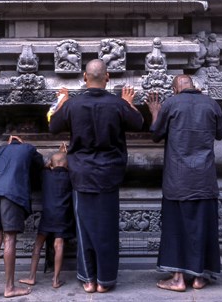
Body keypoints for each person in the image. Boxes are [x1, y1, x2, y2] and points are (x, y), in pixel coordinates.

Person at [49, 59, 144, 293]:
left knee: (85, 229)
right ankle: (105, 281)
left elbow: (53, 127)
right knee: (107, 229)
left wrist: (62, 101)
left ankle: (89, 279)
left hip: (81, 175)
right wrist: (129, 103)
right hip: (109, 175)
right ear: (107, 77)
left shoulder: (73, 105)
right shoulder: (118, 105)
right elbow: (139, 123)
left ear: (84, 77)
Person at [146, 75, 222, 292]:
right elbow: (220, 134)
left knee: (176, 229)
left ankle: (178, 279)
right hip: (204, 179)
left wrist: (155, 113)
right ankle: (199, 277)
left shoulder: (171, 104)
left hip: (178, 179)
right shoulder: (211, 104)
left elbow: (156, 135)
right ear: (194, 87)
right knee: (203, 228)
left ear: (175, 89)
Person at [0, 134, 44, 299]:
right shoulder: (28, 149)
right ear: (22, 141)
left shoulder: (0, 150)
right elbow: (40, 165)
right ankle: (9, 287)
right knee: (9, 239)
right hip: (13, 194)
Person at [19, 143, 74, 289]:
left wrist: (52, 159)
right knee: (59, 244)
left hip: (48, 215)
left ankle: (31, 277)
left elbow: (42, 166)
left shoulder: (45, 175)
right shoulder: (71, 176)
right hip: (63, 215)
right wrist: (65, 155)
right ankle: (55, 280)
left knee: (38, 244)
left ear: (51, 164)